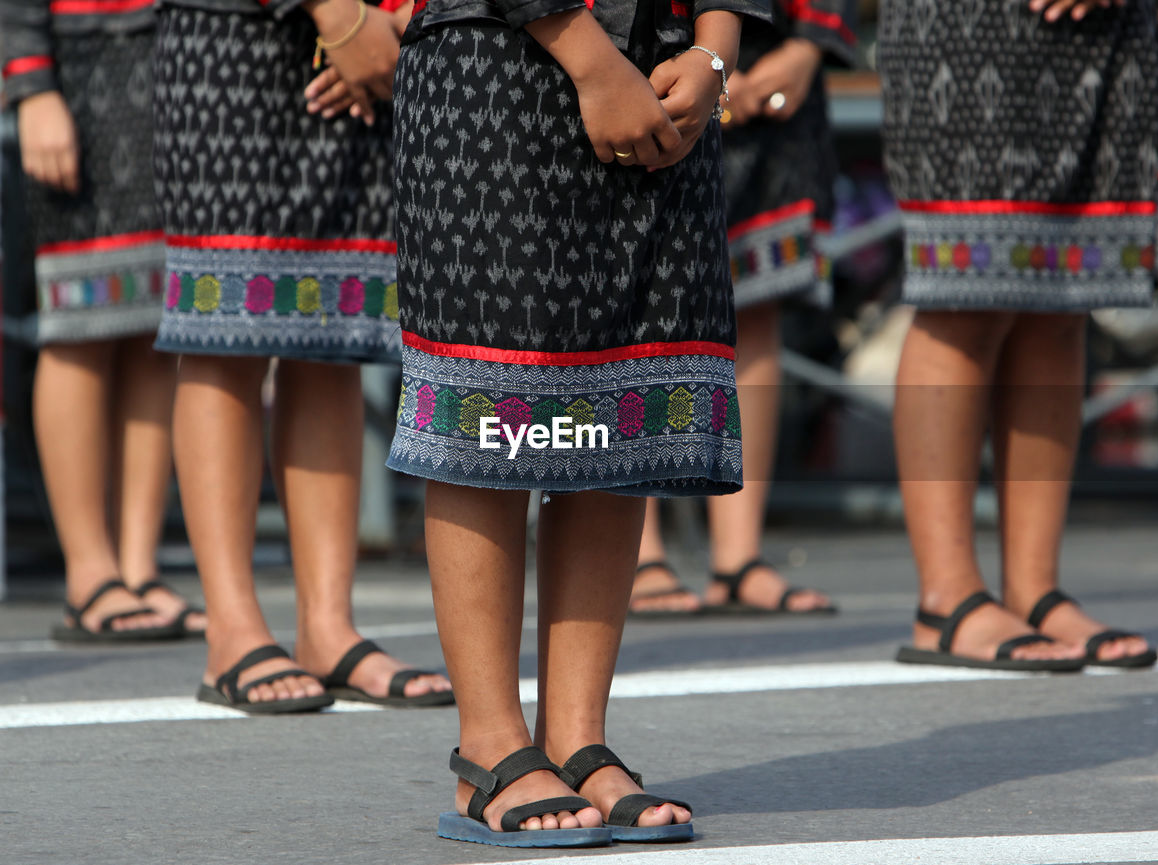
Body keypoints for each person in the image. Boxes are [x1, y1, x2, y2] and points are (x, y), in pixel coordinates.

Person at [387, 0, 762, 845]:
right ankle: (488, 747)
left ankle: (577, 734)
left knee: (619, 408)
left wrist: (714, 53)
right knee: (492, 414)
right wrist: (592, 64)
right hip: (500, 65)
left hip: (670, 81)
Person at [150, 0, 452, 712]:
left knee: (334, 331)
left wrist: (389, 23)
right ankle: (231, 628)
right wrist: (339, 13)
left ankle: (327, 625)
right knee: (224, 325)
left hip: (365, 48)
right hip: (233, 37)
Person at [879, 0, 1158, 671]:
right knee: (963, 289)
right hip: (965, 24)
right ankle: (947, 597)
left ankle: (1033, 585)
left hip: (1105, 27)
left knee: (1065, 297)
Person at [630, 0, 855, 617]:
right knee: (633, 304)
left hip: (772, 62)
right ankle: (638, 551)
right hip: (649, 56)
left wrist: (808, 46)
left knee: (754, 310)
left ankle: (738, 555)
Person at [1, 0, 204, 641]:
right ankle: (89, 574)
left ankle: (139, 567)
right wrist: (31, 84)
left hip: (175, 65)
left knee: (155, 326)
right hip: (81, 69)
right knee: (79, 323)